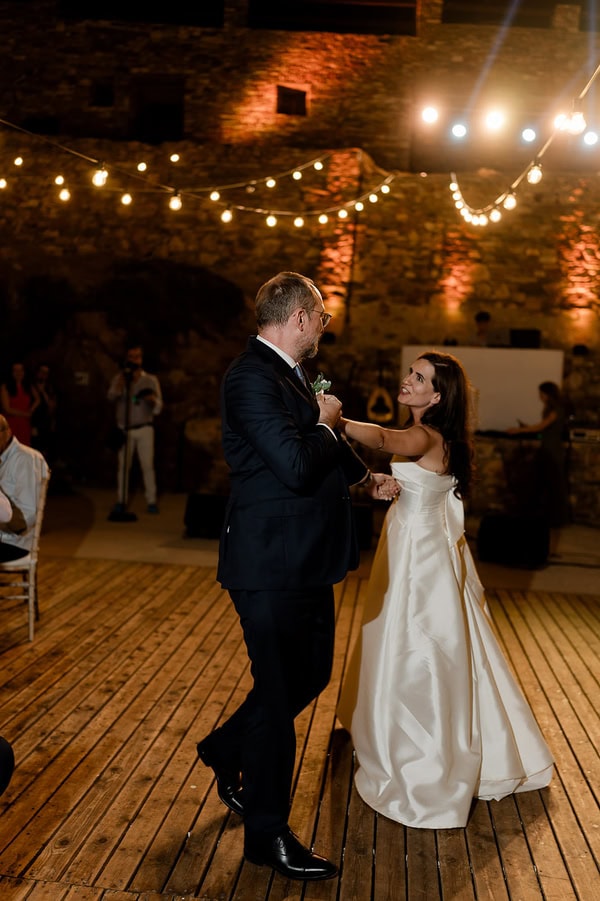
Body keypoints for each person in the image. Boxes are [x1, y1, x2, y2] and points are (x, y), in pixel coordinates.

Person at [195, 271, 398, 881]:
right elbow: (291, 461)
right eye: (323, 317)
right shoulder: (249, 376)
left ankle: (225, 747)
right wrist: (324, 419)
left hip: (307, 557)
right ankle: (267, 834)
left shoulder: (293, 374)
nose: (324, 327)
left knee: (310, 674)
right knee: (281, 698)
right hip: (267, 562)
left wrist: (366, 479)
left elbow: (325, 451)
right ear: (300, 317)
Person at [336, 350, 554, 829]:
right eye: (410, 372)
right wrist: (380, 484)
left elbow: (384, 437)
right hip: (416, 542)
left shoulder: (424, 433)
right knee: (409, 637)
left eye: (420, 377)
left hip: (420, 556)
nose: (407, 380)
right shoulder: (439, 437)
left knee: (416, 644)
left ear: (437, 396)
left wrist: (337, 418)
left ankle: (419, 750)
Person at [506, 380, 570, 541]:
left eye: (541, 394)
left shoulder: (556, 410)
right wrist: (527, 427)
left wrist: (520, 430)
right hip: (547, 450)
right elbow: (543, 428)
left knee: (552, 487)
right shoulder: (550, 409)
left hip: (552, 452)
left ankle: (553, 522)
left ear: (548, 395)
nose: (540, 397)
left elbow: (540, 427)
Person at [107, 344, 163, 515]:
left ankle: (151, 500)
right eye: (131, 357)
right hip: (125, 429)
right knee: (124, 467)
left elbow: (159, 406)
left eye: (137, 356)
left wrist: (152, 400)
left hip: (144, 428)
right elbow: (110, 397)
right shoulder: (120, 378)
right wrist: (121, 385)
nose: (134, 360)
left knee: (147, 465)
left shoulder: (150, 380)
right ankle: (121, 500)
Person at [0, 415, 50, 562]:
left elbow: (27, 516)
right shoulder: (4, 457)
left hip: (14, 543)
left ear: (7, 432)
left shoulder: (26, 458)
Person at [0, 362, 40, 447]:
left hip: (24, 424)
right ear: (11, 372)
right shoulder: (5, 387)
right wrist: (26, 414)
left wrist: (31, 410)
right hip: (10, 423)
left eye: (21, 370)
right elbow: (7, 409)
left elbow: (38, 399)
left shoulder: (28, 386)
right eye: (16, 370)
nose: (19, 373)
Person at [30, 362, 58, 464]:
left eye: (46, 373)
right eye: (41, 372)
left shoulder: (50, 388)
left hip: (45, 423)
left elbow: (52, 406)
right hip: (33, 422)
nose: (43, 375)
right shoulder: (30, 385)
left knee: (44, 449)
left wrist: (43, 392)